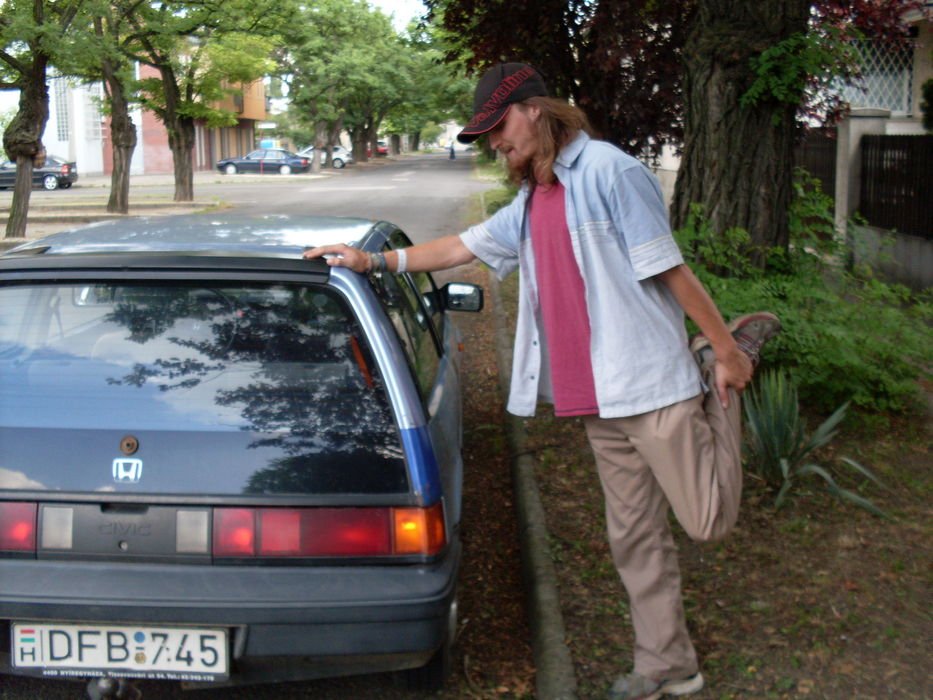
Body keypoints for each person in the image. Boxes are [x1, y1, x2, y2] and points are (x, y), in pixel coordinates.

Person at [304, 62, 780, 700]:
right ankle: (668, 664)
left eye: (498, 126)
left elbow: (671, 270)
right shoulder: (534, 199)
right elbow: (460, 247)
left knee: (707, 521)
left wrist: (726, 349)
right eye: (487, 134)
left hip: (652, 385)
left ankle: (714, 375)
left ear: (534, 109)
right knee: (633, 539)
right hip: (595, 397)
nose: (495, 141)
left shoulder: (613, 172)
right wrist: (374, 260)